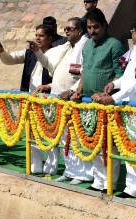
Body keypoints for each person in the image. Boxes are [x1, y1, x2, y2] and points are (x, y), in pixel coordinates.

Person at [94, 18, 136, 204]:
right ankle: (132, 187)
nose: (131, 35)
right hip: (131, 105)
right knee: (129, 148)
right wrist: (114, 84)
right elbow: (127, 77)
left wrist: (113, 98)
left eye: (132, 31)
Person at [63, 8, 126, 192]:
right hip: (87, 103)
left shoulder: (115, 45)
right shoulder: (87, 45)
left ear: (105, 26)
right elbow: (85, 73)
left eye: (96, 27)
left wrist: (108, 94)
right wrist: (77, 91)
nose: (92, 31)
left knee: (108, 145)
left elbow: (120, 75)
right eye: (89, 28)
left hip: (106, 104)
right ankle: (98, 181)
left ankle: (109, 183)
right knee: (94, 144)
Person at [34, 17, 93, 183]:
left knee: (77, 137)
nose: (66, 31)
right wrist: (49, 85)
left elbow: (85, 74)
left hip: (75, 99)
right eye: (65, 28)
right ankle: (70, 170)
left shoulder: (85, 47)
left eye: (69, 29)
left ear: (79, 31)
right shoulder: (67, 47)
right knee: (64, 138)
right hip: (60, 99)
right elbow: (53, 68)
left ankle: (82, 174)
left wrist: (72, 90)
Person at [0, 24, 59, 173]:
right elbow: (10, 59)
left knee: (49, 134)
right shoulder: (29, 52)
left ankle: (51, 168)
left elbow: (54, 70)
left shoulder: (56, 53)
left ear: (50, 38)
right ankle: (35, 167)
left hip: (47, 100)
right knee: (32, 134)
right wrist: (1, 50)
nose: (37, 38)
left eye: (41, 35)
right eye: (36, 35)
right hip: (30, 99)